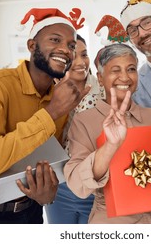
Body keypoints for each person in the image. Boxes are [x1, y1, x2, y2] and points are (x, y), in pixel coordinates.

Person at [0, 7, 89, 224]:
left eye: (71, 46)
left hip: (30, 213)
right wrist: (51, 112)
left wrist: (48, 193)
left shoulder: (62, 96)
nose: (65, 50)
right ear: (31, 45)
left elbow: (47, 161)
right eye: (55, 40)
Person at [64, 43, 151, 223]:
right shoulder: (84, 121)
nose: (125, 77)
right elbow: (78, 185)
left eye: (131, 69)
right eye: (115, 70)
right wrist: (110, 146)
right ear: (100, 78)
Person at [45, 34, 101, 224]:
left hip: (93, 186)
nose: (80, 62)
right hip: (59, 186)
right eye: (73, 55)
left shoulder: (103, 89)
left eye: (84, 55)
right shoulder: (50, 93)